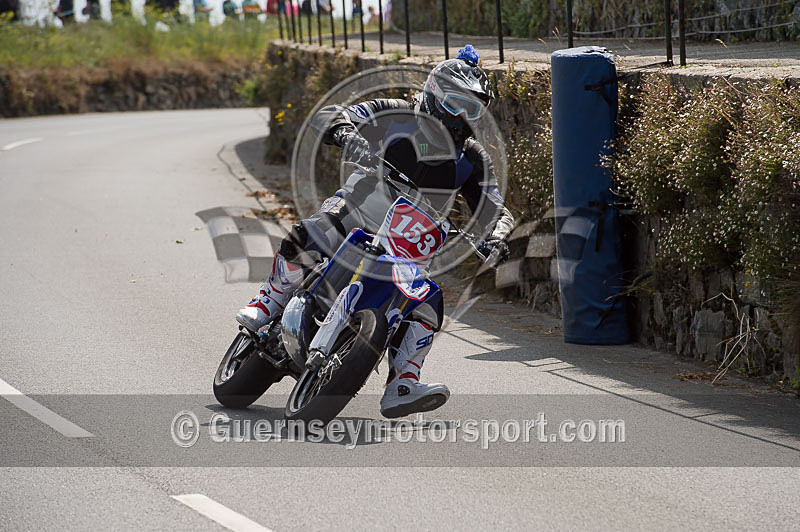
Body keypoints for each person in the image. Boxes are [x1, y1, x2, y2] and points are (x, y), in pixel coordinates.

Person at [236, 44, 514, 418]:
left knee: (428, 300)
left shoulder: (471, 158)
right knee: (317, 231)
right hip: (359, 210)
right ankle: (268, 300)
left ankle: (403, 382)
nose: (462, 117)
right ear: (434, 94)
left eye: (473, 108)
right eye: (455, 103)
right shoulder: (395, 114)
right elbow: (334, 113)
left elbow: (495, 207)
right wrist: (347, 134)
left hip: (410, 242)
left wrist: (496, 237)